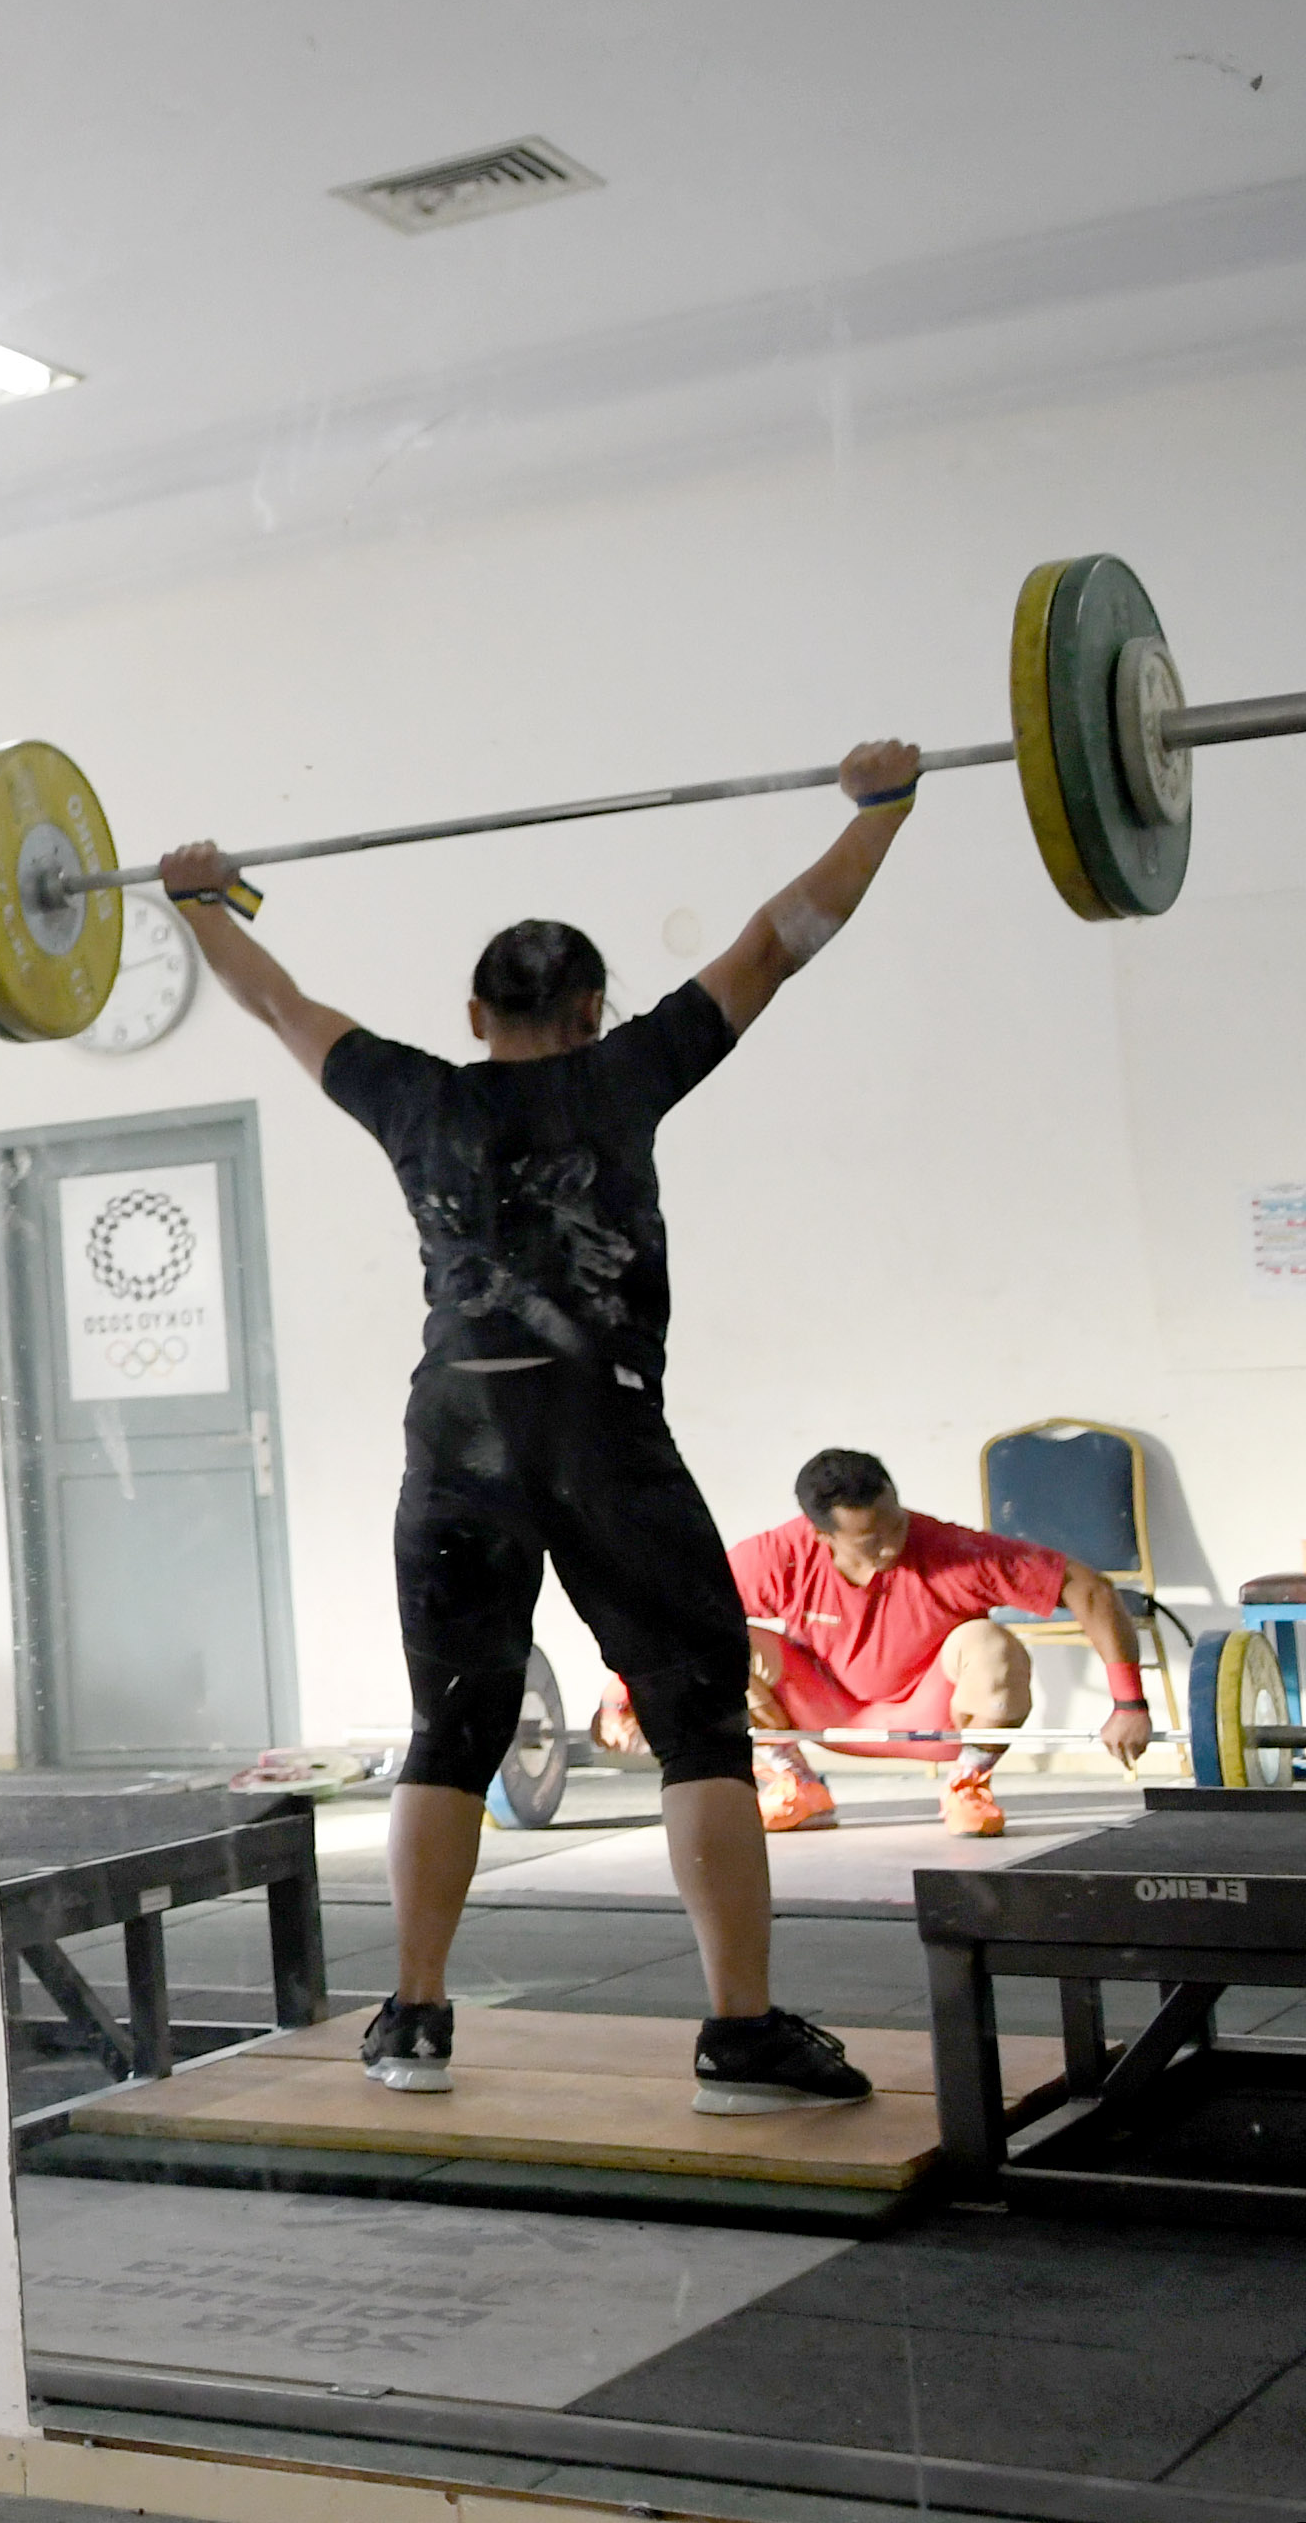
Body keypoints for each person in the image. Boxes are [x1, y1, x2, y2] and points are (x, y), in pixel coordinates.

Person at [159, 737, 929, 2118]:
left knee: (449, 1729)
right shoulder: (625, 1072)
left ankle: (411, 2021)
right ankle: (740, 2036)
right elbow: (776, 942)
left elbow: (274, 1003)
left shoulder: (414, 1093)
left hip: (454, 1435)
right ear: (587, 1011)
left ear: (474, 1009)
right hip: (601, 1432)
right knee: (699, 1727)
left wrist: (200, 899)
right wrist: (882, 807)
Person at [711, 1448, 1151, 1836]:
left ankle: (967, 1784)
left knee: (991, 1643)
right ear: (820, 1534)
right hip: (822, 1711)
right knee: (721, 1639)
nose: (892, 1546)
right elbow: (682, 1613)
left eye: (896, 1524)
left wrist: (1129, 1703)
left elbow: (1088, 1588)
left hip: (934, 1719)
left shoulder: (951, 1550)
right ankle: (794, 1782)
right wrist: (641, 1701)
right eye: (870, 1540)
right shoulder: (778, 1556)